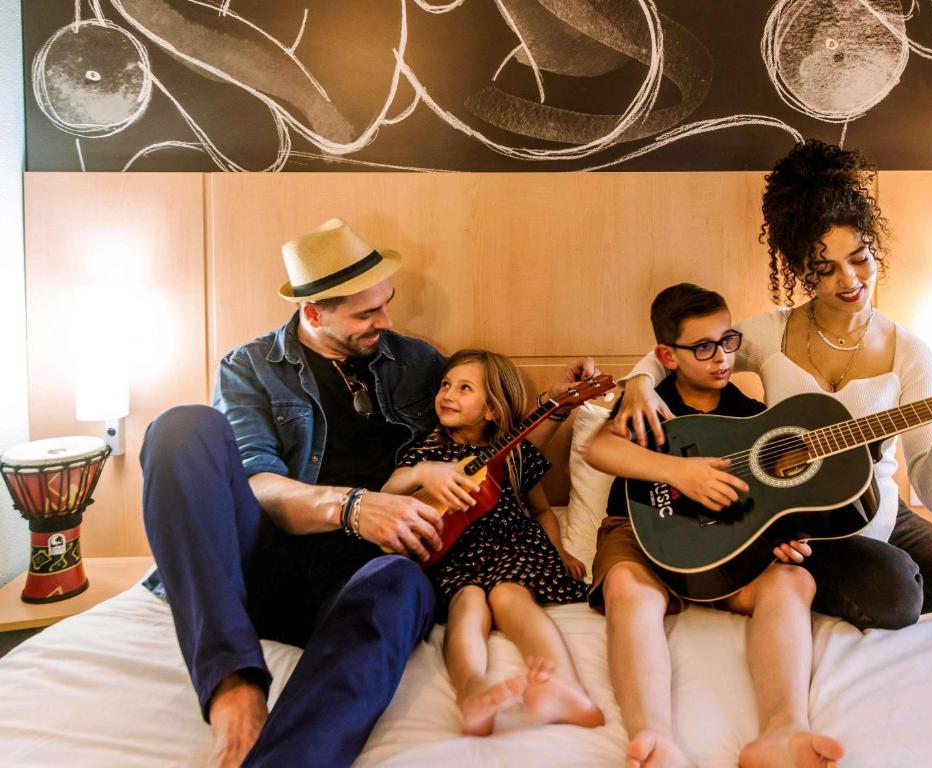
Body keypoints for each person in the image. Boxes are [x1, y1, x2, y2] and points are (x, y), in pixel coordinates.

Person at [140, 218, 594, 768]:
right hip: (268, 562)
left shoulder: (418, 362)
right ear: (314, 313)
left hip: (370, 575)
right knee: (181, 427)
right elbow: (257, 484)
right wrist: (353, 506)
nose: (387, 320)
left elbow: (491, 429)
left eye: (387, 303)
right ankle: (235, 692)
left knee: (401, 583)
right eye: (366, 313)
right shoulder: (251, 368)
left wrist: (562, 399)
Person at [615, 139, 932, 639]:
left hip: (883, 515)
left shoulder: (910, 354)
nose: (849, 280)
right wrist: (638, 382)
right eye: (824, 268)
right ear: (798, 268)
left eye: (860, 258)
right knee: (896, 593)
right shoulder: (769, 334)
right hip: (799, 522)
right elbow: (687, 348)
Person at [586, 283, 844, 768]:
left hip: (723, 545)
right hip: (640, 531)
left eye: (728, 341)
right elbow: (598, 449)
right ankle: (655, 736)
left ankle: (783, 728)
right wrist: (678, 471)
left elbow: (774, 498)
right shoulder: (650, 401)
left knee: (793, 580)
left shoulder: (752, 416)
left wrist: (779, 534)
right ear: (667, 354)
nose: (721, 358)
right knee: (627, 588)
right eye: (703, 347)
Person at [382, 349, 602, 737]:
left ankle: (563, 685)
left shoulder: (513, 457)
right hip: (454, 552)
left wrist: (559, 551)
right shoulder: (428, 453)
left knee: (509, 595)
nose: (448, 394)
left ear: (492, 411)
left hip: (510, 545)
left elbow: (542, 512)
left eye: (464, 388)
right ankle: (471, 691)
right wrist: (422, 472)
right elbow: (389, 490)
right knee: (465, 602)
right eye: (446, 385)